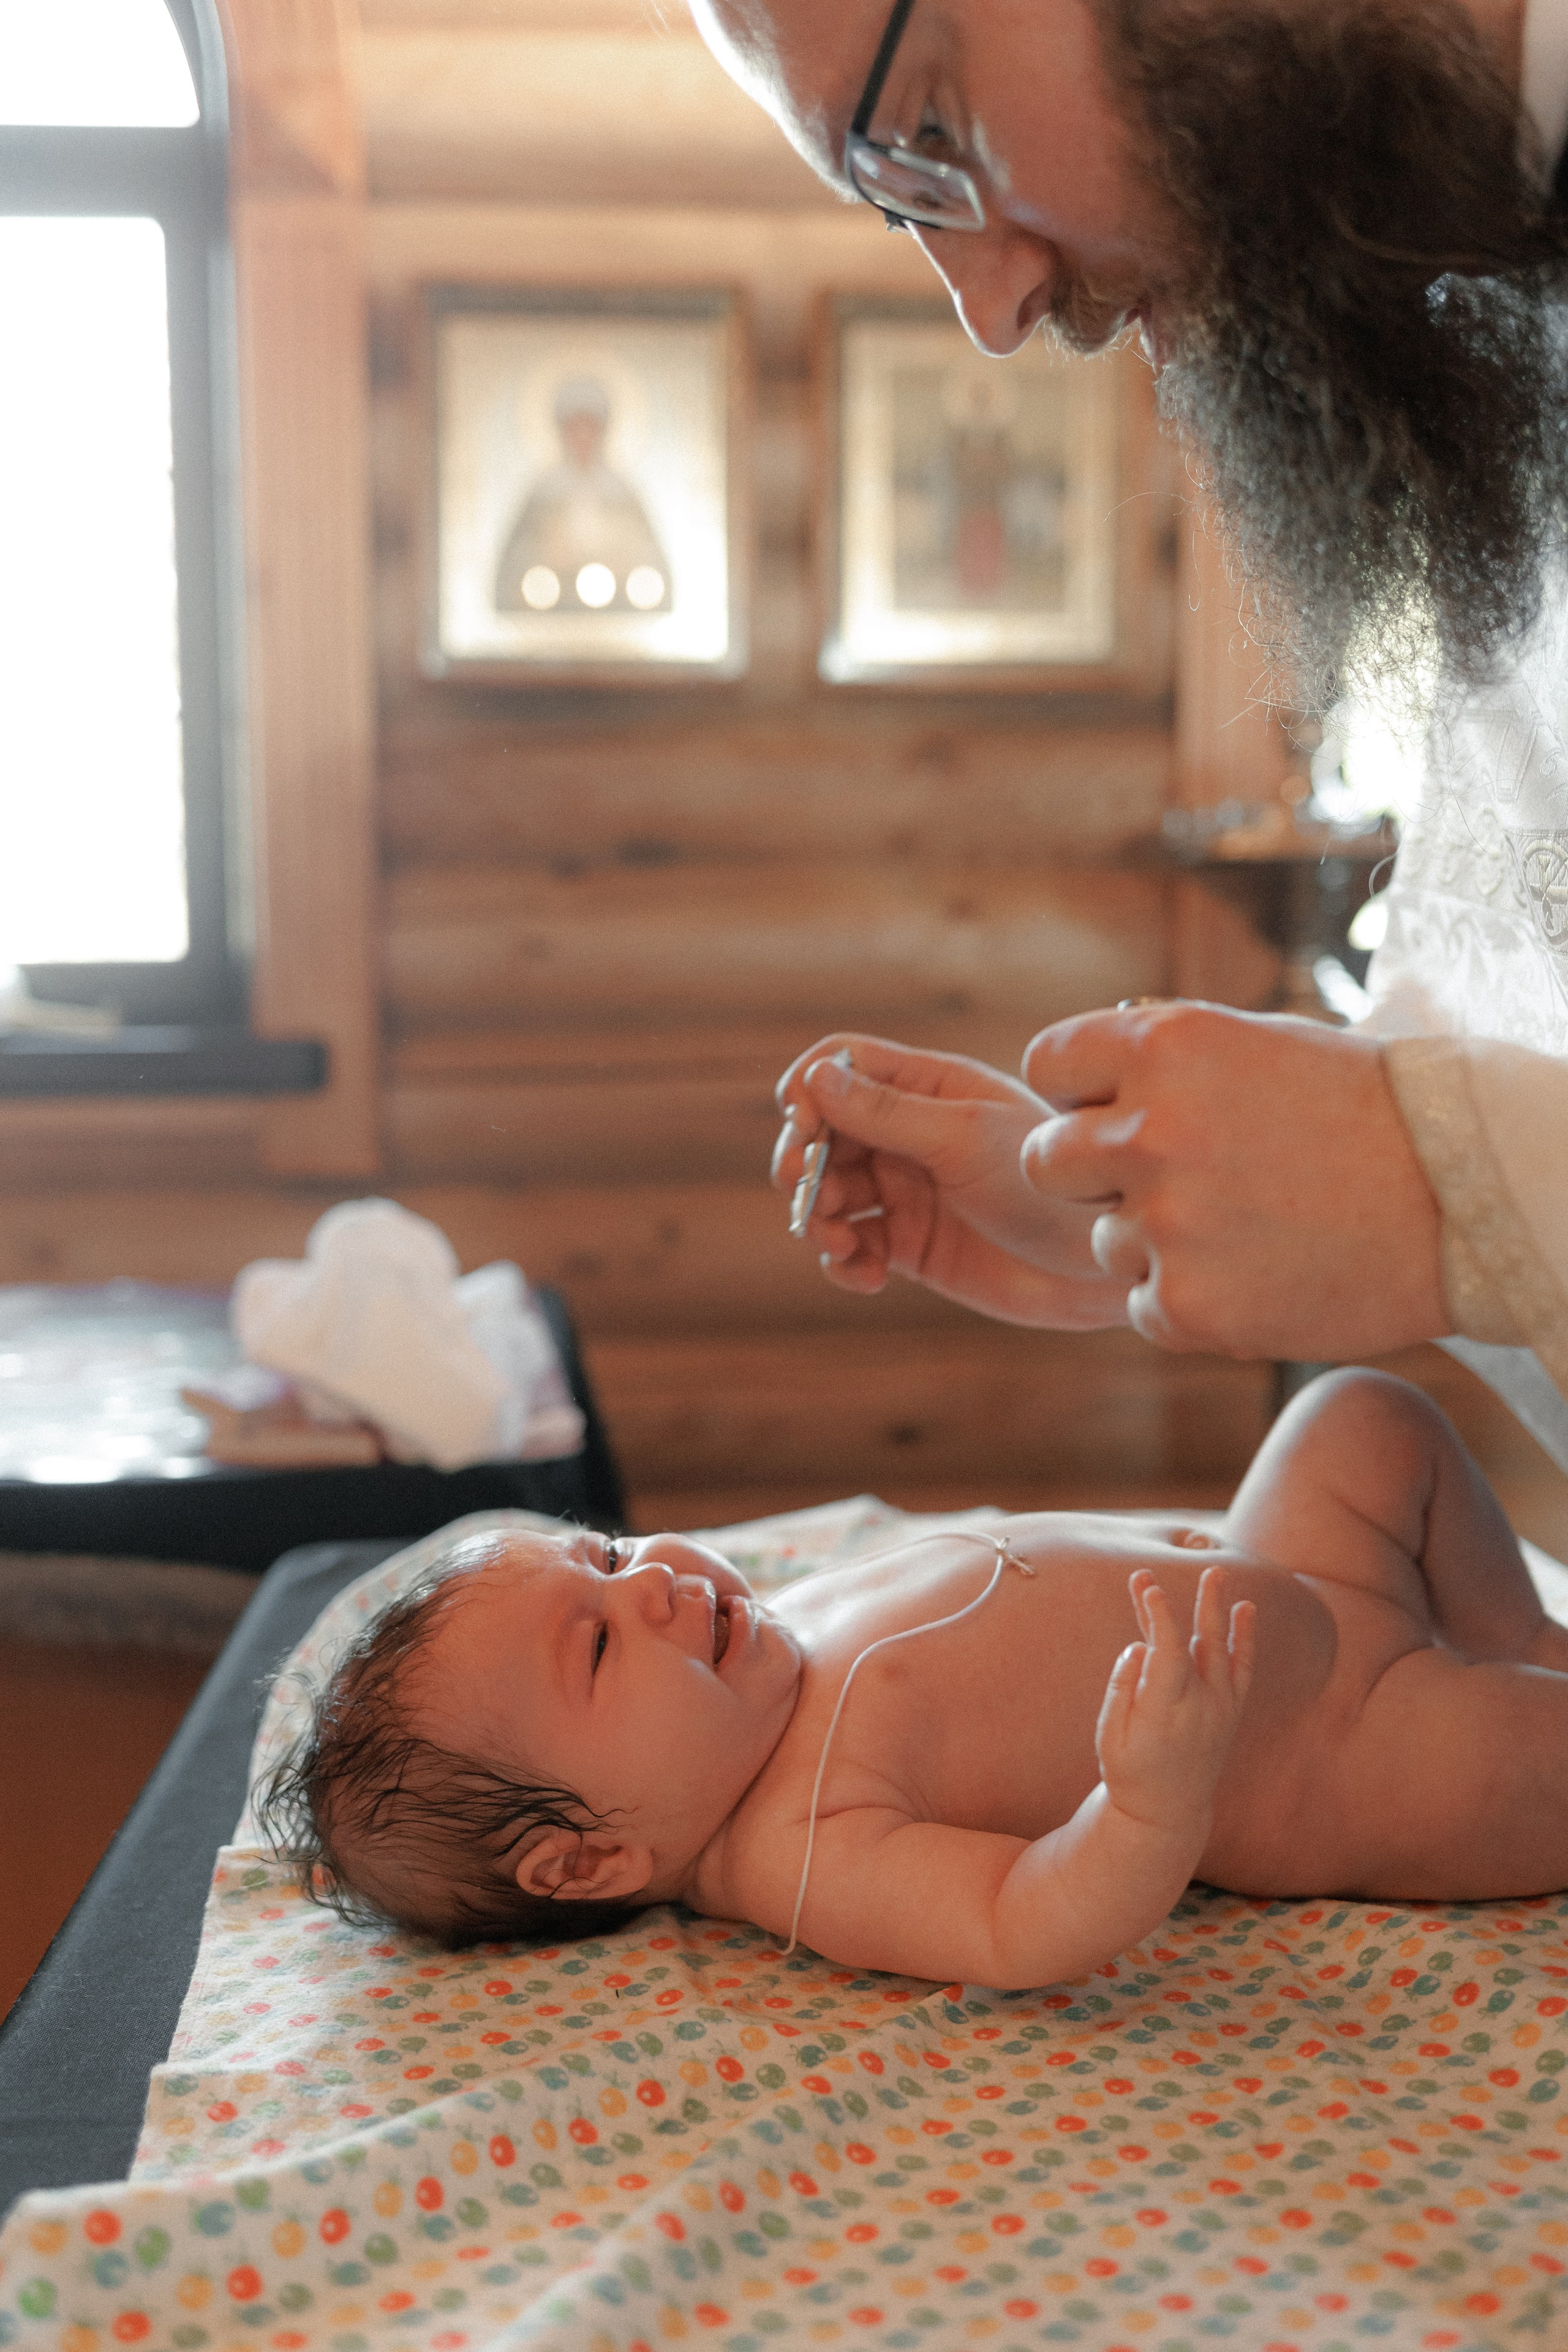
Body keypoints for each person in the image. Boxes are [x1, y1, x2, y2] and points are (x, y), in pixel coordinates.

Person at [690, 0, 1568, 1467]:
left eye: (926, 137)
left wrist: (1449, 1188)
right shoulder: (1480, 277)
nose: (987, 308)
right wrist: (1106, 1201)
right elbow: (1515, 994)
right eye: (900, 206)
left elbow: (1473, 1155)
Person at [258, 1371, 1568, 1983]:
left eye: (601, 1555)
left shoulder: (760, 1644)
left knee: (1358, 1411)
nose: (649, 1578)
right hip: (1336, 1747)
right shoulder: (799, 1843)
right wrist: (1151, 1801)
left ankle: (1516, 1629)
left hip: (1270, 1561)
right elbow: (1019, 1924)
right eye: (597, 1643)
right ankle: (1508, 1682)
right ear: (586, 1859)